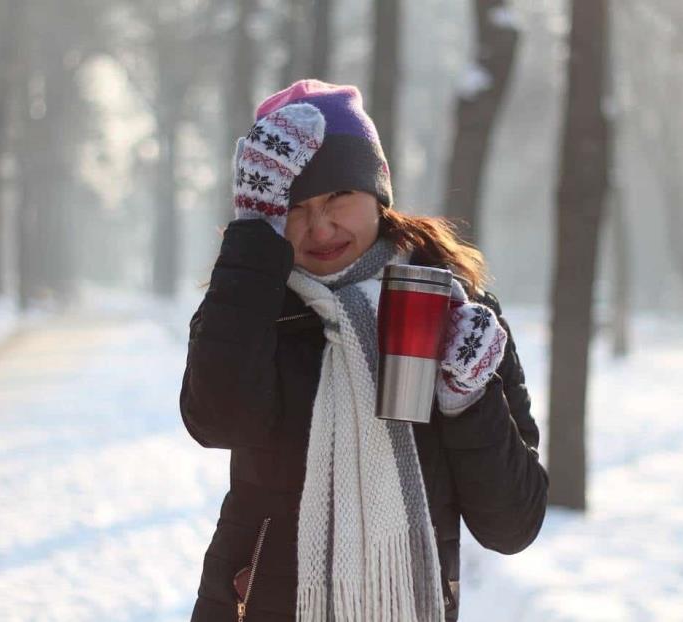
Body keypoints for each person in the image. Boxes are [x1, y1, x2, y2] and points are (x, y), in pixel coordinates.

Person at [180, 79, 548, 622]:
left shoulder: (456, 311)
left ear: (377, 192)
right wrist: (254, 237)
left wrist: (469, 398)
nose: (320, 225)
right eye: (294, 206)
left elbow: (513, 525)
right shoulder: (251, 304)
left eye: (338, 197)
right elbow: (217, 423)